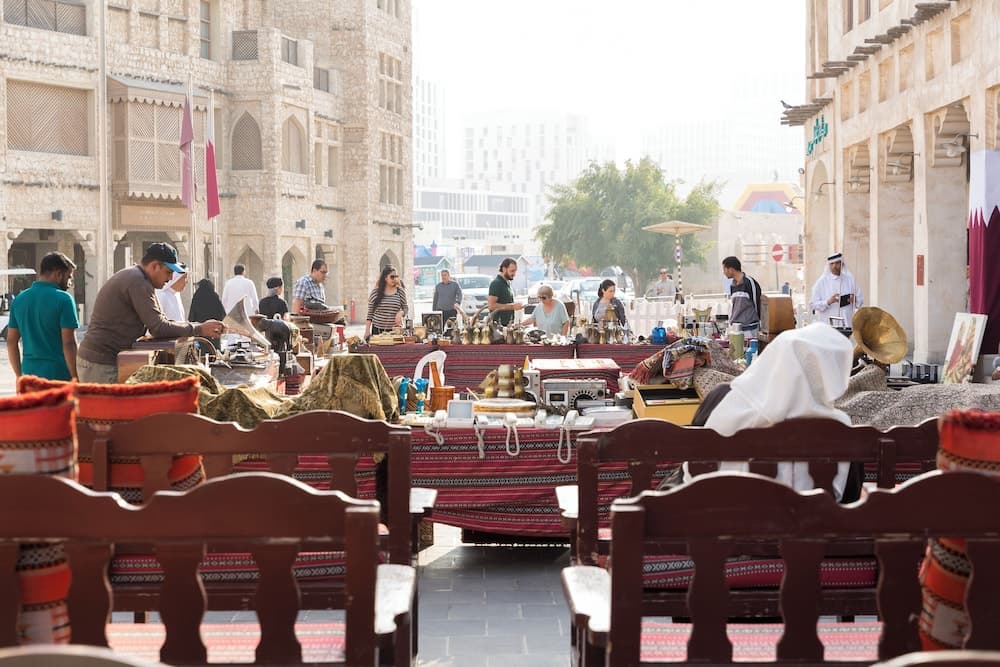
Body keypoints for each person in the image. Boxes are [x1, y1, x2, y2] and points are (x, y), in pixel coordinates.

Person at [685, 323, 861, 502]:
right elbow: (849, 501)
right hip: (809, 519)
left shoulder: (721, 400)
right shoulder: (843, 431)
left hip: (719, 515)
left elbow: (691, 463)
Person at [77, 242, 225, 384]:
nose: (170, 278)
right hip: (100, 363)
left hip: (103, 361)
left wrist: (198, 326)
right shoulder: (137, 281)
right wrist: (200, 329)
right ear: (154, 266)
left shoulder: (139, 279)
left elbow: (161, 321)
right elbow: (158, 327)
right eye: (168, 272)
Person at [5, 251, 79, 381]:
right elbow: (69, 343)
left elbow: (11, 341)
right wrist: (75, 376)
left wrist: (19, 376)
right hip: (58, 375)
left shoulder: (20, 299)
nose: (69, 283)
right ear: (58, 274)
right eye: (68, 277)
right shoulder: (64, 299)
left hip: (29, 376)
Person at [811, 252, 864, 326]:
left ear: (842, 264)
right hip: (828, 324)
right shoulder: (821, 282)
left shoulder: (850, 280)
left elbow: (860, 300)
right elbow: (813, 304)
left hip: (846, 323)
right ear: (828, 265)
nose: (834, 266)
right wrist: (828, 302)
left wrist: (854, 299)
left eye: (837, 263)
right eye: (832, 264)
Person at [722, 256, 762, 339]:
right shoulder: (732, 286)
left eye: (724, 269)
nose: (724, 272)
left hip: (750, 329)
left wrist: (760, 326)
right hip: (736, 329)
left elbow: (757, 303)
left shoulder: (749, 282)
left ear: (731, 269)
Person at [365, 265, 408, 338]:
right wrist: (367, 331)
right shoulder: (375, 293)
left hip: (395, 330)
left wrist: (401, 313)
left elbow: (405, 307)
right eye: (392, 277)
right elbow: (370, 313)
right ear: (385, 278)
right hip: (378, 330)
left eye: (396, 276)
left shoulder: (400, 291)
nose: (394, 279)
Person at [188, 278, 226, 350]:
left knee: (202, 350)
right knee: (214, 350)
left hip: (201, 330)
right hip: (214, 329)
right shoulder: (214, 296)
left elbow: (192, 315)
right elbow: (222, 313)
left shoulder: (197, 296)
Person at [487, 257, 523, 326]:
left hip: (507, 325)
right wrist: (512, 306)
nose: (514, 274)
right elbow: (491, 305)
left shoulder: (507, 283)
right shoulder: (496, 283)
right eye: (512, 271)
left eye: (515, 271)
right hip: (498, 326)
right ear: (504, 269)